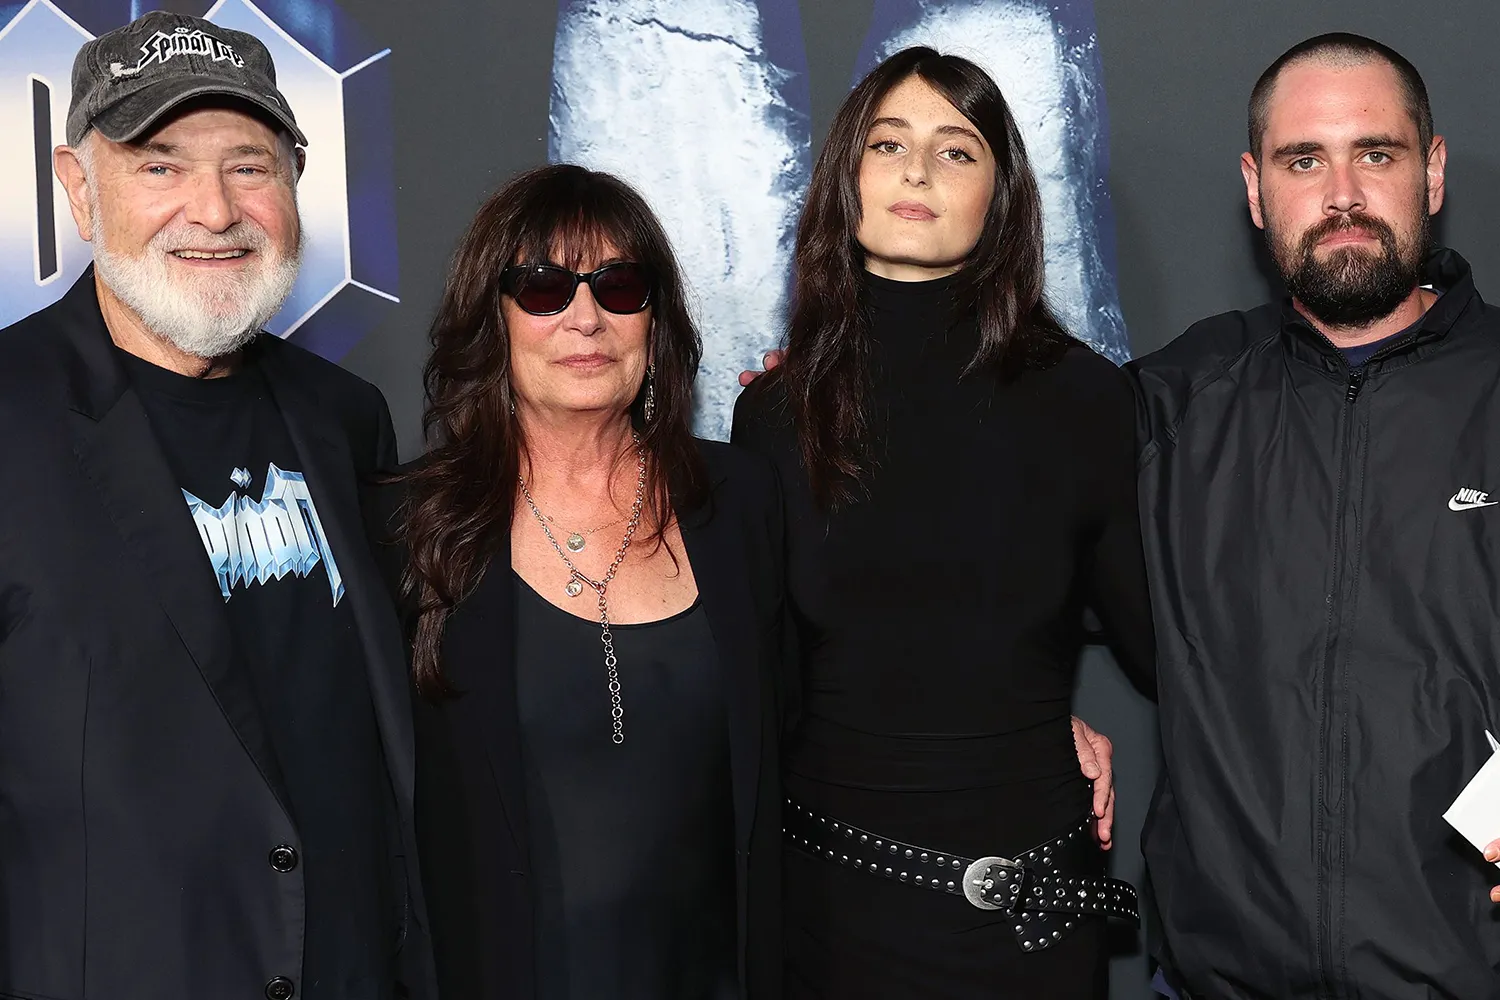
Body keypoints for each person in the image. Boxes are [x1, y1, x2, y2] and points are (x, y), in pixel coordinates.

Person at [0, 12, 433, 1000]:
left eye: (250, 165)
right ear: (78, 189)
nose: (214, 209)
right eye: (159, 167)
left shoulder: (346, 420)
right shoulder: (12, 416)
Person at [731, 47, 1154, 998]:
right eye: (889, 143)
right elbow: (762, 677)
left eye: (957, 150)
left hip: (1027, 919)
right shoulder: (772, 414)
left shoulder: (1085, 400)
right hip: (830, 907)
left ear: (1003, 199)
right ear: (848, 176)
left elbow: (1163, 648)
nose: (917, 170)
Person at [1135, 32, 1500, 1000]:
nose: (1342, 193)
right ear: (1256, 188)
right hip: (1218, 980)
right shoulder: (1174, 399)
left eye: (1375, 153)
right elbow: (970, 511)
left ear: (1433, 172)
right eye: (1306, 159)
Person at [371, 164, 785, 999]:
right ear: (493, 316)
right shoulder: (413, 526)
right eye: (545, 286)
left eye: (619, 286)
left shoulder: (742, 501)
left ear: (654, 318)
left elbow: (845, 684)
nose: (586, 317)